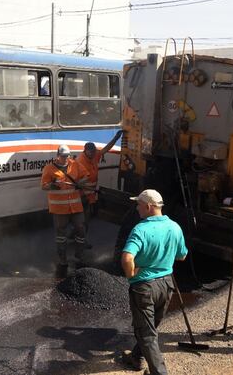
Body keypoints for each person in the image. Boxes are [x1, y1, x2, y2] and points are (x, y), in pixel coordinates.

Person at [120, 189, 188, 375]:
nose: (137, 208)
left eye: (139, 204)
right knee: (150, 327)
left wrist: (131, 275)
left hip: (144, 288)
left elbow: (127, 258)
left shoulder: (140, 229)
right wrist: (163, 255)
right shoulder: (175, 227)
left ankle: (160, 373)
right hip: (166, 286)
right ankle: (136, 357)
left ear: (149, 206)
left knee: (147, 333)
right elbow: (182, 255)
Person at [40, 145, 90, 277]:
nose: (65, 158)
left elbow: (86, 176)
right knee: (61, 235)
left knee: (80, 229)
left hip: (75, 207)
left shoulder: (75, 165)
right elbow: (43, 186)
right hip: (59, 209)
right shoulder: (49, 169)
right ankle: (63, 259)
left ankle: (79, 256)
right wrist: (53, 185)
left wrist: (80, 183)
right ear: (58, 155)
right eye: (63, 156)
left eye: (67, 155)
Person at [76, 130, 124, 247]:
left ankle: (76, 236)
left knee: (83, 220)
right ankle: (81, 242)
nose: (93, 154)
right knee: (84, 220)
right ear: (85, 150)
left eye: (93, 152)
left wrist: (116, 138)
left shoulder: (93, 156)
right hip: (82, 196)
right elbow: (78, 182)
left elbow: (105, 149)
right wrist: (84, 194)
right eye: (90, 152)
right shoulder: (80, 162)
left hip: (90, 195)